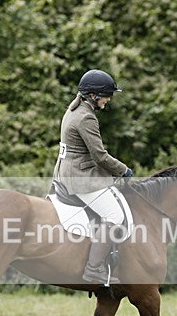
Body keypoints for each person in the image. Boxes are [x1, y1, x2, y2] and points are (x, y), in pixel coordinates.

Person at [52, 69, 134, 284]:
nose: (108, 100)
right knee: (115, 216)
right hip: (79, 176)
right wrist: (123, 170)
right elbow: (99, 155)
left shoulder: (73, 110)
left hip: (67, 171)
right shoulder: (86, 117)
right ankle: (93, 269)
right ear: (94, 96)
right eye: (107, 95)